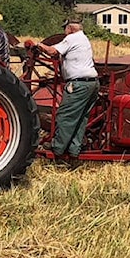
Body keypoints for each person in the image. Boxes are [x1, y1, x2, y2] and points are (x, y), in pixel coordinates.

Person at [27, 20, 99, 160]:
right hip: (92, 84)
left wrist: (38, 45)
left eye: (65, 29)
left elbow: (53, 51)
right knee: (81, 119)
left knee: (65, 116)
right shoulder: (84, 39)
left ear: (70, 28)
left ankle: (58, 148)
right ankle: (73, 150)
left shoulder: (72, 38)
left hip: (78, 85)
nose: (64, 32)